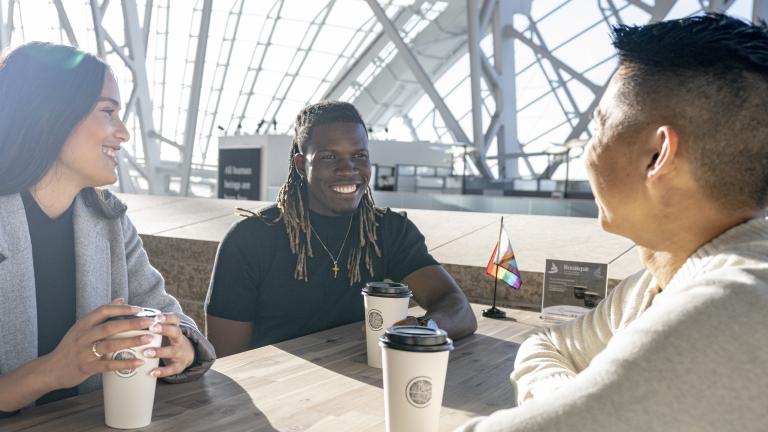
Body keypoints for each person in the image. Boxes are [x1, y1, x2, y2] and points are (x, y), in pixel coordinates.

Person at [458, 14, 768, 432]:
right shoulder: (649, 286)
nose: (587, 154)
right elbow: (546, 344)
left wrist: (569, 412)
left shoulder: (730, 310)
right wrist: (568, 402)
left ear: (657, 156)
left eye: (598, 127)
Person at [0, 43, 215, 416]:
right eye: (107, 112)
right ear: (51, 115)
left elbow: (169, 316)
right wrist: (53, 371)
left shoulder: (110, 221)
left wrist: (180, 347)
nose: (124, 133)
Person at [206, 101, 477, 356]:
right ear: (301, 165)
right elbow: (228, 360)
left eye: (359, 155)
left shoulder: (387, 230)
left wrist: (423, 328)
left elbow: (459, 309)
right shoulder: (250, 239)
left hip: (362, 382)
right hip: (274, 385)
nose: (348, 169)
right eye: (329, 156)